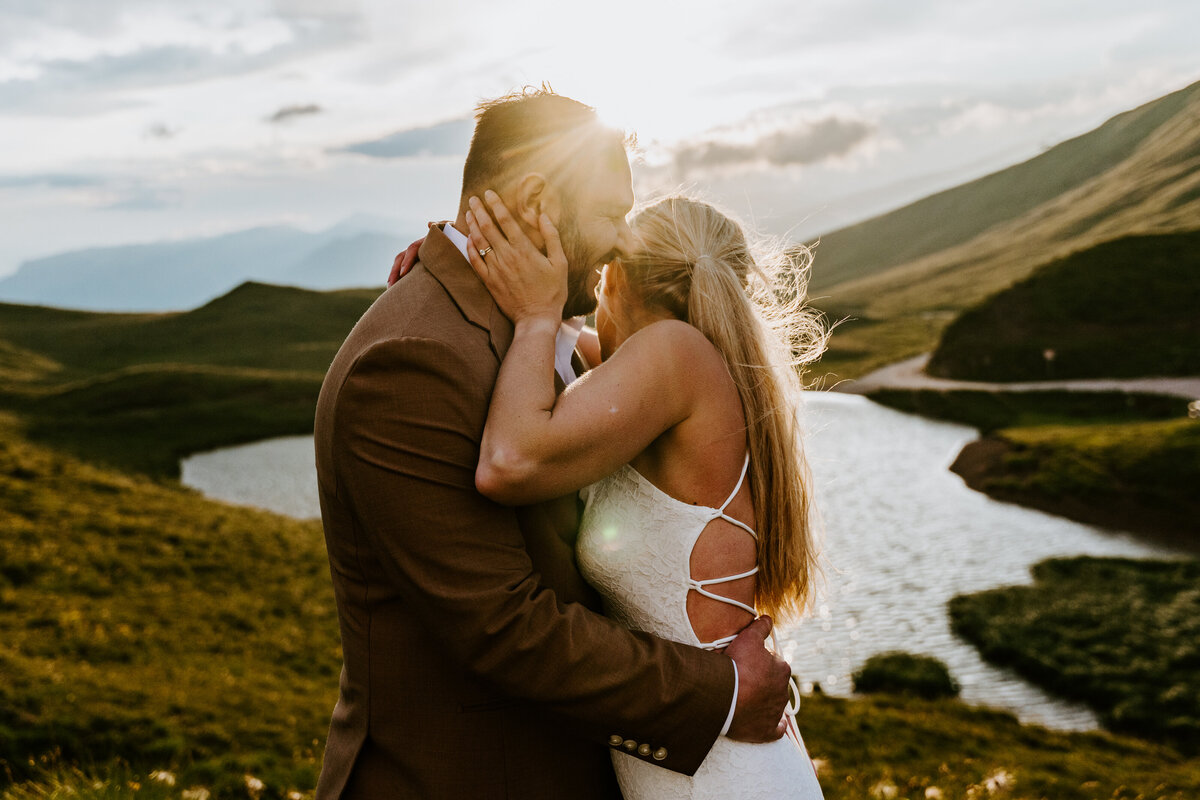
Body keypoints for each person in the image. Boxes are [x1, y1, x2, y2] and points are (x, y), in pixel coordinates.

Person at [313, 87, 793, 800]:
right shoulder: (416, 359)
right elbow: (504, 626)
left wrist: (465, 260)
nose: (623, 241)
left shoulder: (535, 320)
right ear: (537, 197)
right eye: (609, 213)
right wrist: (717, 691)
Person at [460, 191, 827, 798]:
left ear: (617, 277)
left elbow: (508, 462)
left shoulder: (675, 355)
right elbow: (565, 351)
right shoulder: (690, 365)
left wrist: (533, 316)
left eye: (600, 282)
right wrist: (453, 269)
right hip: (712, 761)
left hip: (717, 777)